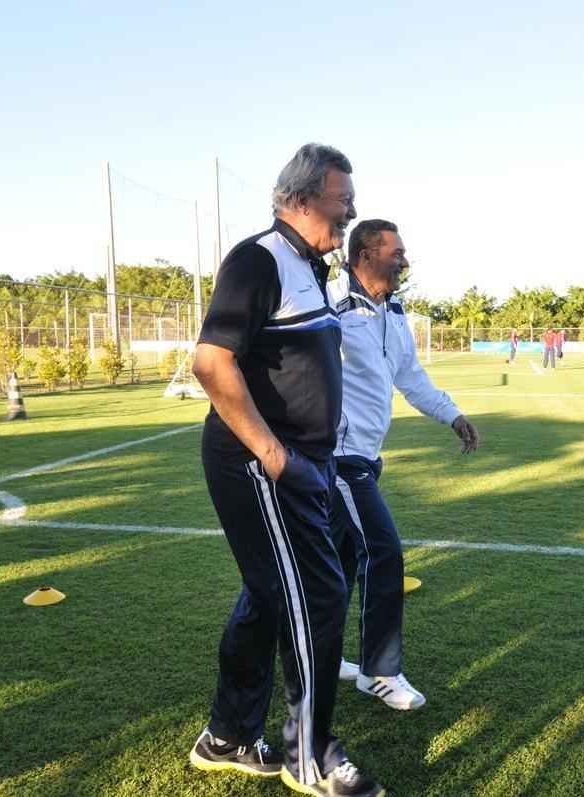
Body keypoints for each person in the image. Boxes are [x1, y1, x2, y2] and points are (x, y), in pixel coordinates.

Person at [189, 143, 385, 797]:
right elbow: (212, 364)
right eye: (342, 201)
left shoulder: (311, 269)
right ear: (300, 200)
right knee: (317, 593)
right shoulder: (258, 259)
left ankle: (228, 733)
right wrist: (278, 458)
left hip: (309, 463)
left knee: (298, 579)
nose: (350, 212)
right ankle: (312, 754)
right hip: (260, 463)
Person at [328, 219, 479, 711]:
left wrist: (451, 414)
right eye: (397, 253)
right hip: (338, 459)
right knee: (384, 551)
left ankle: (320, 656)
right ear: (365, 254)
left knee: (335, 568)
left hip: (368, 459)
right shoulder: (333, 308)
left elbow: (410, 377)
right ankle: (379, 671)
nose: (404, 261)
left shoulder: (393, 310)